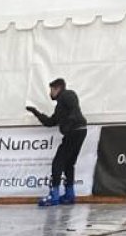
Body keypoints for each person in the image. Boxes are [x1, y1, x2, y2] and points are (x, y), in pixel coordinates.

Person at [27, 78, 87, 207]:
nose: (50, 93)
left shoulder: (67, 95)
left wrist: (69, 125)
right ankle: (70, 194)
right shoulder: (60, 107)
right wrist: (36, 112)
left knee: (57, 163)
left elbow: (74, 109)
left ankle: (53, 196)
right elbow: (50, 122)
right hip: (79, 131)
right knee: (69, 164)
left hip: (75, 131)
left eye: (51, 90)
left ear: (57, 88)